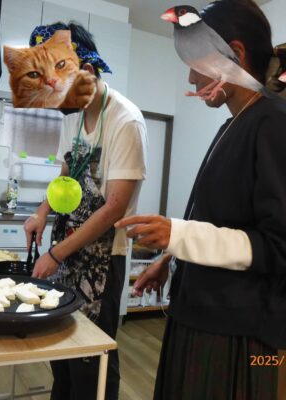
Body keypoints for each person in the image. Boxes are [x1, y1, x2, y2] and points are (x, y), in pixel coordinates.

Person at [115, 1, 286, 399]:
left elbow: (277, 245)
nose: (191, 77)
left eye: (196, 62)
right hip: (197, 315)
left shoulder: (275, 123)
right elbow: (220, 219)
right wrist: (172, 259)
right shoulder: (235, 124)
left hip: (238, 336)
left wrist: (179, 235)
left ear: (236, 53)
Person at [23, 22, 148, 400]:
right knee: (61, 351)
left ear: (87, 72)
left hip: (102, 259)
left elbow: (114, 208)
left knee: (92, 359)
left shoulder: (125, 121)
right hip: (66, 249)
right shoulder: (74, 115)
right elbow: (66, 173)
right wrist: (42, 211)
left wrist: (55, 254)